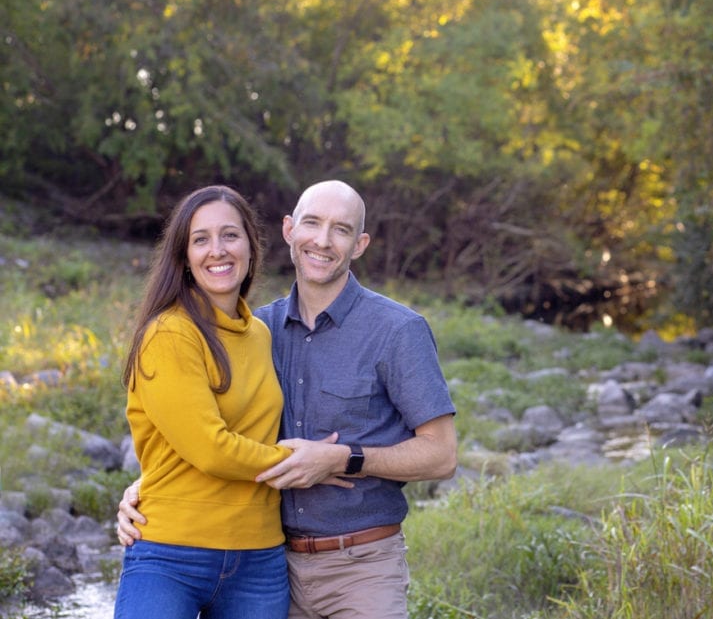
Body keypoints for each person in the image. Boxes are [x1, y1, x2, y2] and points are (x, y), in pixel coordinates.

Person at [118, 180, 458, 619]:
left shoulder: (397, 330)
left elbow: (442, 456)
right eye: (312, 224)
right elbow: (204, 436)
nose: (322, 240)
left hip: (359, 567)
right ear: (288, 231)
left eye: (341, 229)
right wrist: (147, 486)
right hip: (275, 564)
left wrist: (341, 458)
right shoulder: (258, 329)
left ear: (360, 244)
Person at [114, 185, 294, 619]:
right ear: (185, 256)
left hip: (259, 559)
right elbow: (209, 448)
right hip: (170, 555)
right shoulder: (169, 333)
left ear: (251, 246)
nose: (218, 250)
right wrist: (299, 461)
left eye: (230, 235)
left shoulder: (260, 335)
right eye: (201, 239)